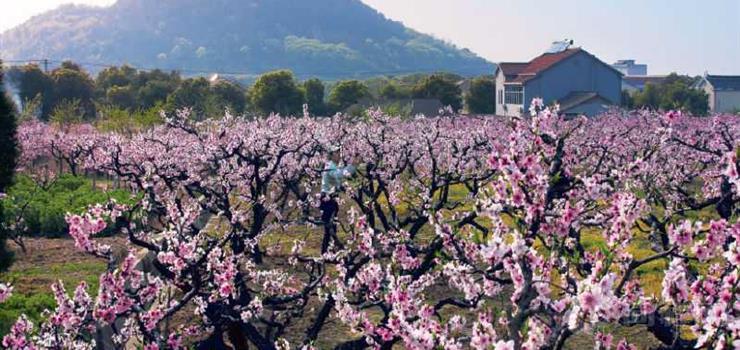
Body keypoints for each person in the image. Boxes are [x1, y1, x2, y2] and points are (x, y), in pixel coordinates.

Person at [319, 147, 354, 253]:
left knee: (332, 226)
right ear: (332, 154)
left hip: (331, 198)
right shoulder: (330, 166)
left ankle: (330, 251)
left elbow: (338, 180)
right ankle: (326, 252)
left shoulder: (334, 166)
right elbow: (339, 175)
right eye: (337, 153)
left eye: (339, 153)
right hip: (327, 199)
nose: (339, 155)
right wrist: (353, 166)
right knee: (329, 227)